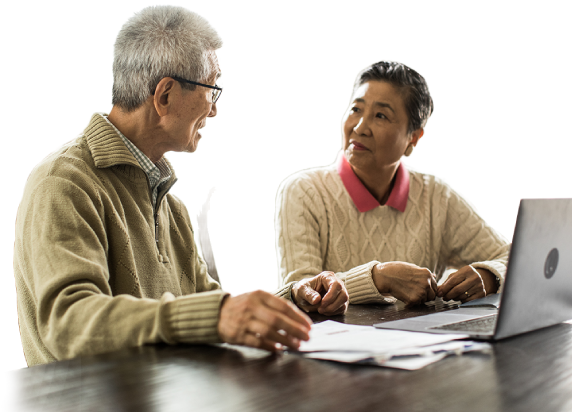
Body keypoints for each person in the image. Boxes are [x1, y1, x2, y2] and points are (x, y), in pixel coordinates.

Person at [13, 4, 347, 367]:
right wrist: (216, 316)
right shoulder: (64, 183)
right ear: (165, 95)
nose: (216, 110)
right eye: (213, 89)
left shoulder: (169, 206)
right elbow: (68, 325)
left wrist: (295, 300)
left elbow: (210, 311)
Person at [276, 60, 510, 308]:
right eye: (356, 109)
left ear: (414, 137)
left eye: (380, 115)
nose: (359, 127)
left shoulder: (436, 195)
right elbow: (297, 293)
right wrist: (377, 279)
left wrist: (489, 275)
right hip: (336, 346)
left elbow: (515, 258)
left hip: (422, 343)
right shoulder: (303, 191)